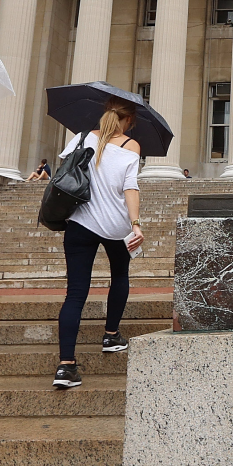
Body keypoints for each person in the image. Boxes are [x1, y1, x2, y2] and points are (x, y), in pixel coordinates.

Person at [52, 98, 145, 389]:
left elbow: (64, 172)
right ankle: (111, 334)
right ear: (128, 120)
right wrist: (136, 223)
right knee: (119, 275)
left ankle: (66, 366)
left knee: (75, 293)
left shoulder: (80, 138)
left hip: (79, 222)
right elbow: (130, 187)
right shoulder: (131, 146)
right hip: (116, 226)